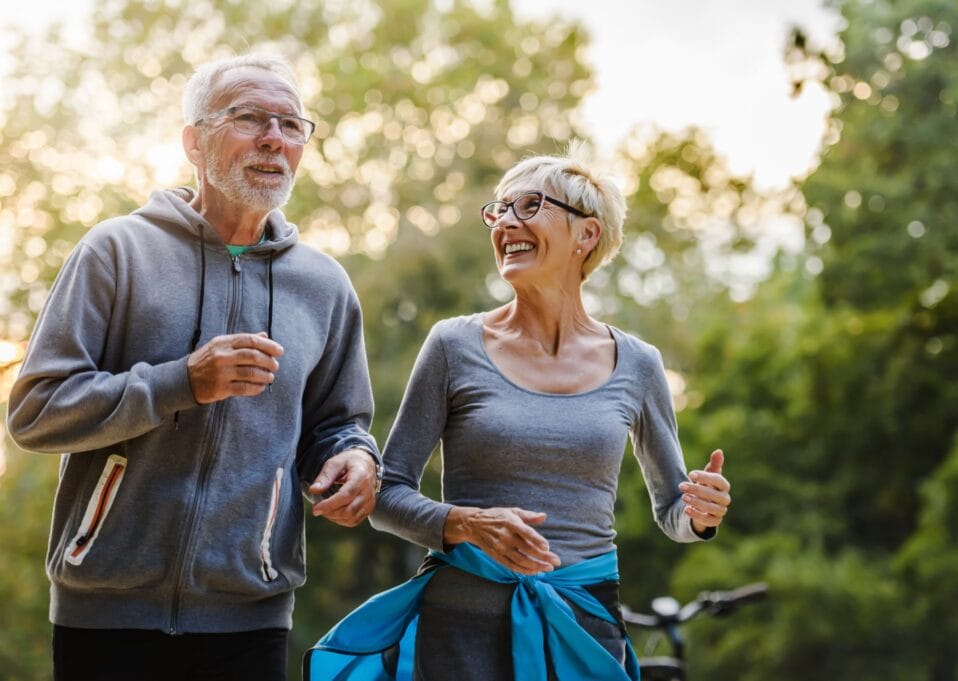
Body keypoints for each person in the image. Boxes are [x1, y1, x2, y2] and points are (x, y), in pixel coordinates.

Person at [6, 53, 382, 681]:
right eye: (249, 118)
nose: (273, 138)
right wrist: (181, 382)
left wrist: (355, 458)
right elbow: (36, 412)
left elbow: (340, 425)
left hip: (252, 616)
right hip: (106, 613)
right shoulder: (116, 251)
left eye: (292, 125)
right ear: (194, 142)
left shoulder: (324, 285)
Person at [305, 145, 732, 681]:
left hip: (584, 626)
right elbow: (386, 495)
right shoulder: (452, 345)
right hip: (459, 627)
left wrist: (701, 514)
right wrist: (466, 523)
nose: (506, 222)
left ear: (587, 235)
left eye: (529, 205)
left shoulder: (640, 364)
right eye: (499, 210)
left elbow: (674, 514)